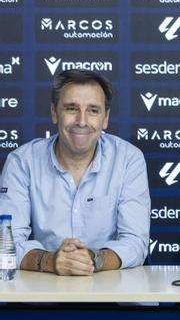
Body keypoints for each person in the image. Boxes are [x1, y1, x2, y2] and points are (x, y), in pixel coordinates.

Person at [0, 69, 150, 275]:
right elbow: (6, 245)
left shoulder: (128, 159)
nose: (81, 121)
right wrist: (50, 261)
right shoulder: (22, 162)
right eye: (71, 108)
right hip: (43, 296)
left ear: (105, 118)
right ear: (54, 113)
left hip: (114, 297)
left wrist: (92, 259)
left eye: (93, 110)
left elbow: (136, 242)